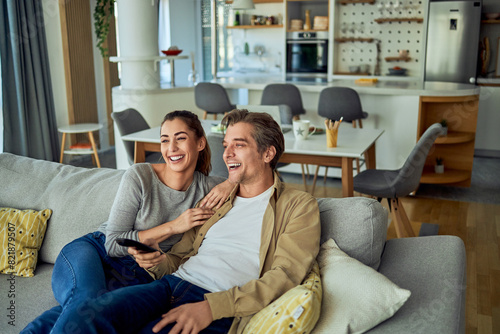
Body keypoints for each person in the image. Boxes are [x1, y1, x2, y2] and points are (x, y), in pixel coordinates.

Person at [53, 109, 320, 334]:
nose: (227, 154)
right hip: (165, 286)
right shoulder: (215, 202)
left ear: (267, 154)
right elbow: (178, 257)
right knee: (84, 317)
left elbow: (284, 276)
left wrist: (212, 307)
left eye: (238, 145)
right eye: (226, 145)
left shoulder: (298, 206)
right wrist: (157, 260)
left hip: (212, 300)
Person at [21, 110, 235, 333]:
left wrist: (231, 182)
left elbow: (252, 177)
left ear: (200, 143)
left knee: (88, 312)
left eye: (180, 138)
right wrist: (175, 225)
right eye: (165, 140)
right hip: (94, 250)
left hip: (137, 274)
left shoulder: (208, 189)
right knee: (86, 300)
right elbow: (113, 243)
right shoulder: (140, 175)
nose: (171, 148)